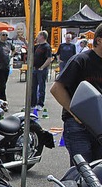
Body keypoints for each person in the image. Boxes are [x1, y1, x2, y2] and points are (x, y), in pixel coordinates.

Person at [50, 24, 102, 164]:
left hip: (99, 127)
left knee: (98, 173)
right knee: (82, 172)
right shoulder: (81, 60)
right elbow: (57, 89)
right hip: (78, 127)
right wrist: (74, 113)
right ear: (99, 40)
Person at [31, 30, 53, 109]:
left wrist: (42, 67)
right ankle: (32, 104)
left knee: (41, 87)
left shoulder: (47, 47)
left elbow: (49, 59)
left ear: (42, 36)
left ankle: (40, 104)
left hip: (41, 70)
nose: (37, 37)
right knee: (33, 87)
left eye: (38, 35)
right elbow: (30, 48)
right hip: (35, 69)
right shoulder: (37, 46)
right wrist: (24, 41)